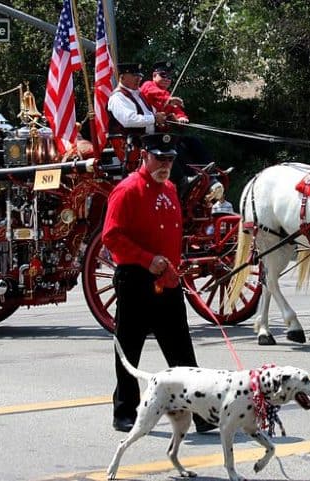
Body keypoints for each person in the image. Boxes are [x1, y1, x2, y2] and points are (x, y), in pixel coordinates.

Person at [101, 133, 216, 434]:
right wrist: (146, 259)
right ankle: (124, 411)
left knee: (182, 351)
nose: (165, 164)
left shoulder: (169, 188)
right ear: (144, 156)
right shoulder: (126, 190)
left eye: (169, 159)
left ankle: (201, 411)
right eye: (159, 158)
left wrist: (174, 266)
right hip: (136, 279)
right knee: (129, 348)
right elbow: (111, 237)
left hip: (166, 280)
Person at [139, 60, 212, 195]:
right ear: (154, 76)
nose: (167, 79)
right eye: (163, 75)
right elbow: (154, 93)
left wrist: (181, 119)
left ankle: (209, 173)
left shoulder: (167, 95)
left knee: (193, 141)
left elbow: (178, 111)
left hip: (163, 136)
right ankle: (184, 180)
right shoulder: (148, 86)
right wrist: (169, 100)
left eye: (169, 77)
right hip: (150, 137)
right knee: (174, 149)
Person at [106, 63, 167, 172]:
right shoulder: (117, 97)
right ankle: (182, 181)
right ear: (122, 77)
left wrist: (165, 119)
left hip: (149, 140)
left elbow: (153, 113)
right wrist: (154, 118)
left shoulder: (139, 94)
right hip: (132, 143)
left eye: (140, 76)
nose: (139, 78)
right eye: (134, 76)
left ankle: (197, 178)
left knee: (187, 142)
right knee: (169, 153)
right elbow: (128, 120)